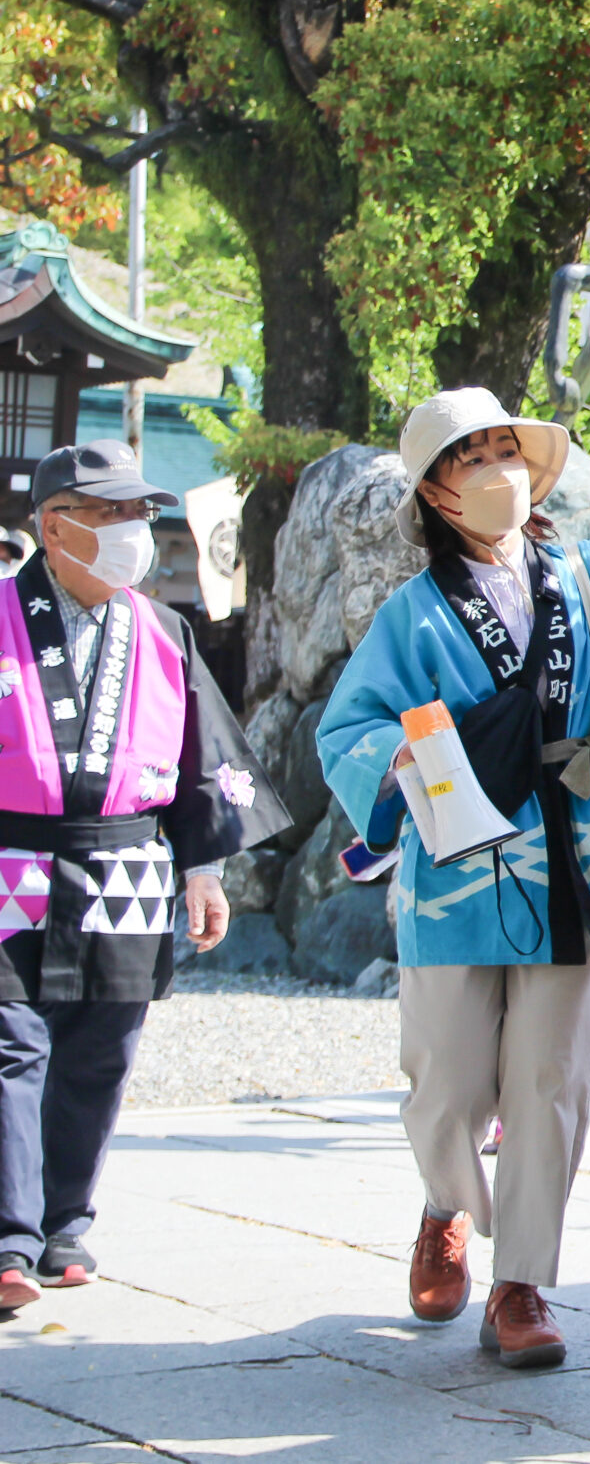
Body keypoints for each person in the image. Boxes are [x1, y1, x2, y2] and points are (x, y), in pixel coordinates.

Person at [319, 390, 590, 1367]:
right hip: (453, 874)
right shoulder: (411, 615)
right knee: (446, 1080)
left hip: (572, 860)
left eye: (506, 449)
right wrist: (405, 758)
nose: (499, 470)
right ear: (435, 494)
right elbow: (347, 726)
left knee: (552, 1079)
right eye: (472, 457)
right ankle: (444, 1203)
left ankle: (521, 1283)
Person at [0, 441, 290, 1310]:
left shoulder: (163, 630)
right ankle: (8, 1238)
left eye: (139, 511)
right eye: (111, 512)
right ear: (56, 527)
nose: (134, 529)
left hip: (125, 863)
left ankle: (64, 1226)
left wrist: (204, 869)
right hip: (13, 860)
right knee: (11, 1048)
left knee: (102, 1050)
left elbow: (206, 757)